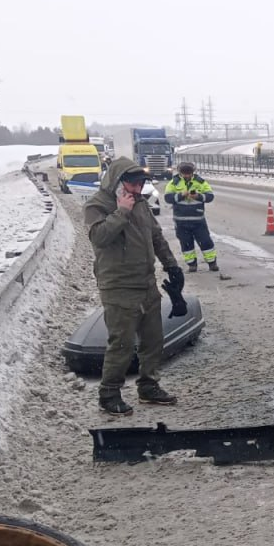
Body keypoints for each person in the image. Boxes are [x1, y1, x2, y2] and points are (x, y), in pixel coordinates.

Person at [83, 159, 185, 417]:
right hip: (118, 286)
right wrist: (121, 212)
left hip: (146, 282)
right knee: (122, 344)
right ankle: (109, 394)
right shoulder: (98, 205)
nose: (138, 189)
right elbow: (99, 238)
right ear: (117, 182)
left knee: (153, 340)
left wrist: (172, 266)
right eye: (132, 183)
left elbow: (156, 237)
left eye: (141, 184)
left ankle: (148, 385)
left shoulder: (140, 204)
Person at [165, 161, 218, 272]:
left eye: (189, 173)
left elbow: (210, 196)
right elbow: (168, 198)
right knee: (186, 244)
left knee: (206, 242)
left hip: (198, 220)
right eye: (184, 173)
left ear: (192, 172)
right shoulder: (174, 183)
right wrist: (180, 195)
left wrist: (198, 196)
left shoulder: (200, 182)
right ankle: (192, 265)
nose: (187, 176)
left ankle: (212, 263)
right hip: (181, 221)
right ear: (180, 173)